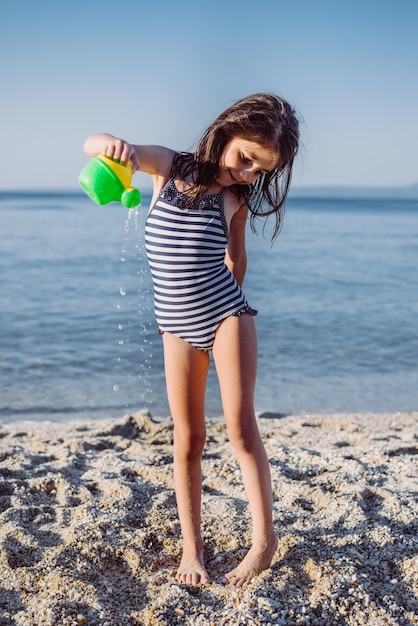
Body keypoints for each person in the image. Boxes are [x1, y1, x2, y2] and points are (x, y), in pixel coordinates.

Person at [84, 93, 300, 586]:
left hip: (226, 316)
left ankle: (264, 543)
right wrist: (111, 145)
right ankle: (192, 551)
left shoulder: (237, 199)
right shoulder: (169, 166)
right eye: (245, 159)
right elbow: (94, 144)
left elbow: (235, 261)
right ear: (226, 132)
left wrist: (228, 306)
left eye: (259, 170)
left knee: (241, 429)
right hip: (175, 325)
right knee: (188, 440)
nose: (247, 174)